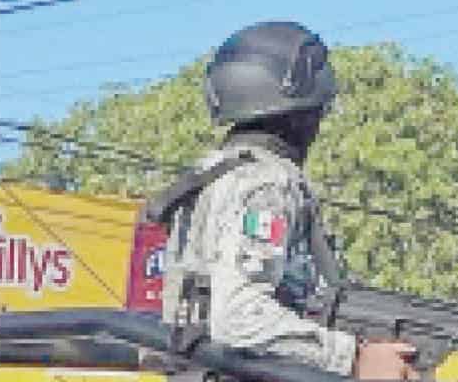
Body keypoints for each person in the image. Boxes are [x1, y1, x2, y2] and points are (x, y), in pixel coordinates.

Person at [148, 21, 418, 380]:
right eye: (318, 109)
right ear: (301, 108)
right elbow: (240, 318)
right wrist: (353, 358)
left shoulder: (216, 175)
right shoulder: (265, 183)